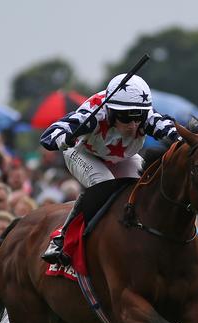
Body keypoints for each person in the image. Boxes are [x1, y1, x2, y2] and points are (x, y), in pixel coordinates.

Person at [40, 72, 180, 265]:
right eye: (126, 118)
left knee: (145, 185)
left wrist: (182, 138)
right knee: (104, 183)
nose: (133, 125)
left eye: (138, 118)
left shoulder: (143, 113)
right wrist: (64, 137)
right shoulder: (94, 113)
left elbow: (170, 128)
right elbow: (49, 135)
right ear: (111, 112)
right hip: (81, 152)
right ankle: (60, 239)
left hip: (120, 157)